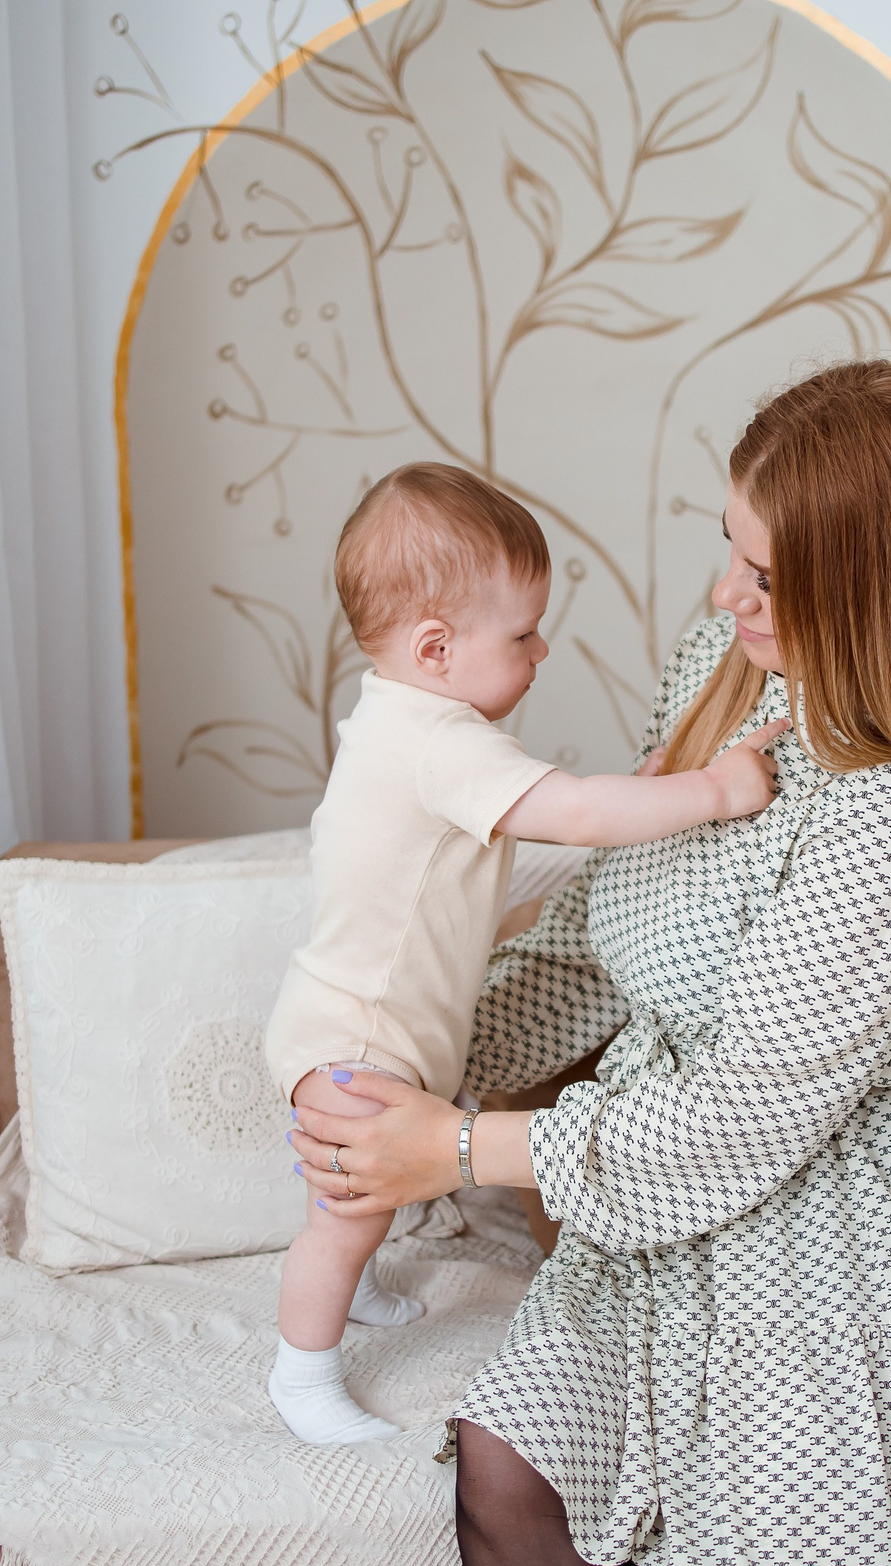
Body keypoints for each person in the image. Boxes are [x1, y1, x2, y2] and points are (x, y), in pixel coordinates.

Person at [288, 364, 891, 1566]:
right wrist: (397, 1072)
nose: (724, 595)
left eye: (767, 576)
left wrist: (450, 1146)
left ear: (878, 598)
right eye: (730, 550)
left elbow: (745, 1114)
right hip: (657, 1208)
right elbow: (606, 935)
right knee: (506, 1468)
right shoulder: (729, 668)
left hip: (842, 1237)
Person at [263, 462, 787, 1445]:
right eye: (522, 635)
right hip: (360, 1041)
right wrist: (715, 791)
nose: (542, 649)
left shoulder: (400, 717)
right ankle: (304, 1374)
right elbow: (576, 813)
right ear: (436, 647)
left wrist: (646, 788)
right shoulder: (442, 745)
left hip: (344, 1016)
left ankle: (357, 1286)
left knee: (353, 1203)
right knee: (340, 1221)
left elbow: (555, 815)